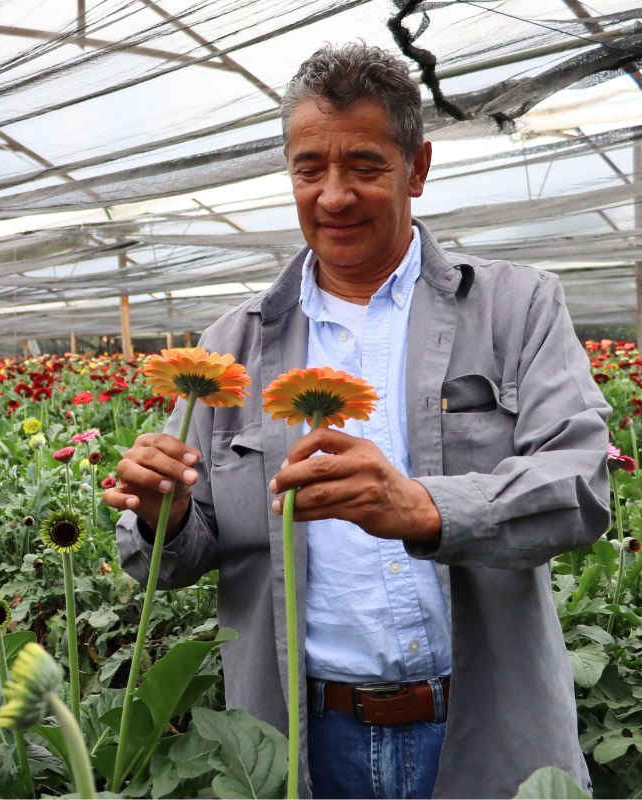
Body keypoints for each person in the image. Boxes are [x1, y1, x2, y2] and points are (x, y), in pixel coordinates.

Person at [107, 43, 609, 799]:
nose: (334, 195)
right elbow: (171, 562)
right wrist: (165, 517)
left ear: (418, 168)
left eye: (366, 166)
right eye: (310, 168)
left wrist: (423, 507)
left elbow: (579, 487)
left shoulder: (515, 307)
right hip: (303, 740)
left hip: (484, 728)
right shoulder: (229, 350)